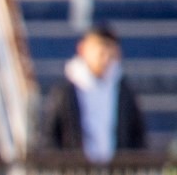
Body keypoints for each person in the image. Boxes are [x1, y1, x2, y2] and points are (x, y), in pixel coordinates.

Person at [38, 24, 147, 163]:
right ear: (83, 49)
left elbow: (137, 135)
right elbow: (50, 135)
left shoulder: (124, 92)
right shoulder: (65, 92)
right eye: (100, 50)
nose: (105, 57)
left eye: (109, 50)